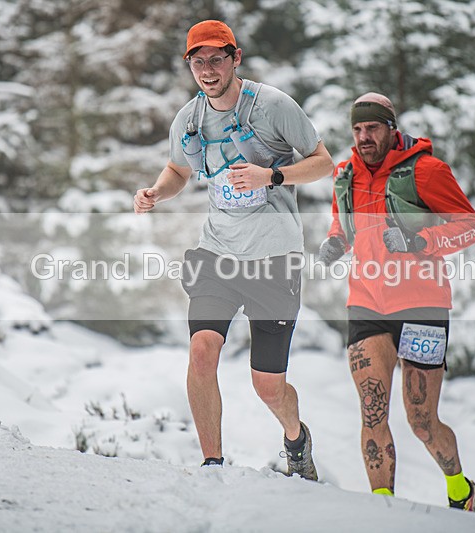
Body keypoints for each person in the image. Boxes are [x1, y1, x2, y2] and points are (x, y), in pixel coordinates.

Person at [134, 20, 333, 480]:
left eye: (216, 59)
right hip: (218, 253)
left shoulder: (273, 106)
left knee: (268, 387)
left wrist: (272, 176)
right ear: (189, 66)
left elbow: (323, 162)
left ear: (235, 58)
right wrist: (157, 192)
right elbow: (177, 170)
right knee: (202, 351)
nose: (208, 70)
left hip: (274, 258)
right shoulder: (189, 119)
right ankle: (212, 466)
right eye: (198, 62)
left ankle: (296, 440)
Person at [318, 92, 475, 510]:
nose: (364, 137)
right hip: (367, 302)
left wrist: (419, 240)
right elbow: (344, 224)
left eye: (372, 128)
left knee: (422, 421)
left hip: (423, 306)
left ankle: (460, 489)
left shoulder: (427, 171)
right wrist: (335, 241)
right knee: (373, 410)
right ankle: (383, 508)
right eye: (357, 129)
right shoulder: (345, 175)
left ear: (391, 129)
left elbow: (471, 226)